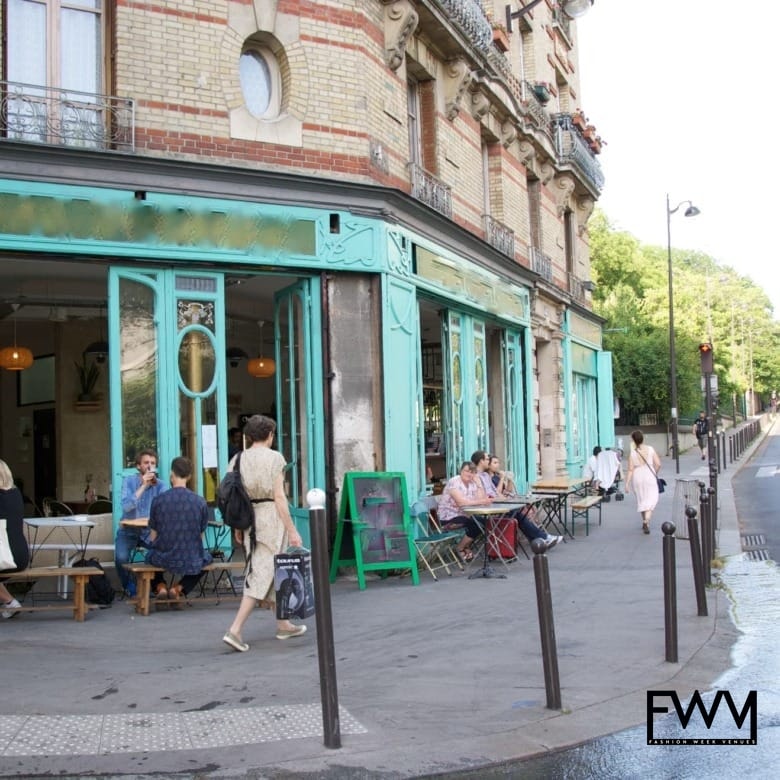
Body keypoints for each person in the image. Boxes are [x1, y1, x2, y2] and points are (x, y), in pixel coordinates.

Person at [223, 414, 305, 652]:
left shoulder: (238, 459)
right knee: (263, 571)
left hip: (249, 517)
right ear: (270, 435)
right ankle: (235, 630)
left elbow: (235, 495)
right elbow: (279, 497)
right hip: (270, 517)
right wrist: (292, 530)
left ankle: (283, 624)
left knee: (267, 568)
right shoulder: (275, 458)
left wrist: (237, 527)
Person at [146, 456, 212, 602]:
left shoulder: (158, 501)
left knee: (149, 556)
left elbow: (153, 537)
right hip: (190, 557)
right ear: (189, 476)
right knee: (206, 559)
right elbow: (200, 536)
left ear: (172, 474)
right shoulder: (200, 502)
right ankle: (179, 588)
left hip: (163, 557)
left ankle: (160, 586)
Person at [472, 451, 561, 549]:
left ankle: (540, 538)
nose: (488, 461)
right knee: (516, 513)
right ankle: (541, 538)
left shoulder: (485, 475)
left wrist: (504, 496)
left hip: (496, 503)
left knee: (518, 512)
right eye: (487, 459)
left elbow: (496, 492)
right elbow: (485, 496)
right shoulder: (476, 476)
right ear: (481, 461)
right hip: (487, 508)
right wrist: (500, 497)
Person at [116, 448, 167, 597]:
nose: (150, 466)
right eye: (146, 463)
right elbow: (126, 506)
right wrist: (143, 486)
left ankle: (153, 586)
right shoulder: (129, 481)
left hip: (149, 532)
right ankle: (130, 587)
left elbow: (164, 511)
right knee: (121, 557)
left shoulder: (161, 485)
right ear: (138, 466)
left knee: (158, 553)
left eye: (153, 463)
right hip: (128, 530)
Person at [436, 461, 489, 562]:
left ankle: (464, 546)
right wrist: (480, 501)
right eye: (466, 471)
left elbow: (482, 500)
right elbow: (461, 503)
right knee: (477, 523)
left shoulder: (472, 483)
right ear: (461, 471)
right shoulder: (454, 482)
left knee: (484, 522)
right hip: (449, 518)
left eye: (472, 472)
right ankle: (461, 547)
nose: (469, 474)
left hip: (464, 515)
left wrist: (479, 484)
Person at [0, 459, 30, 618]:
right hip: (20, 555)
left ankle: (10, 602)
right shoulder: (15, 494)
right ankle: (10, 603)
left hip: (6, 557)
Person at [624, 430, 661, 534]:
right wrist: (655, 473)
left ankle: (644, 522)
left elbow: (630, 469)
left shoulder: (632, 453)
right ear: (643, 438)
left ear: (633, 440)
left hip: (637, 476)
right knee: (651, 499)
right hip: (649, 476)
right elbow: (658, 464)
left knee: (642, 499)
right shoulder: (651, 449)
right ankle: (646, 521)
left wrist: (627, 483)